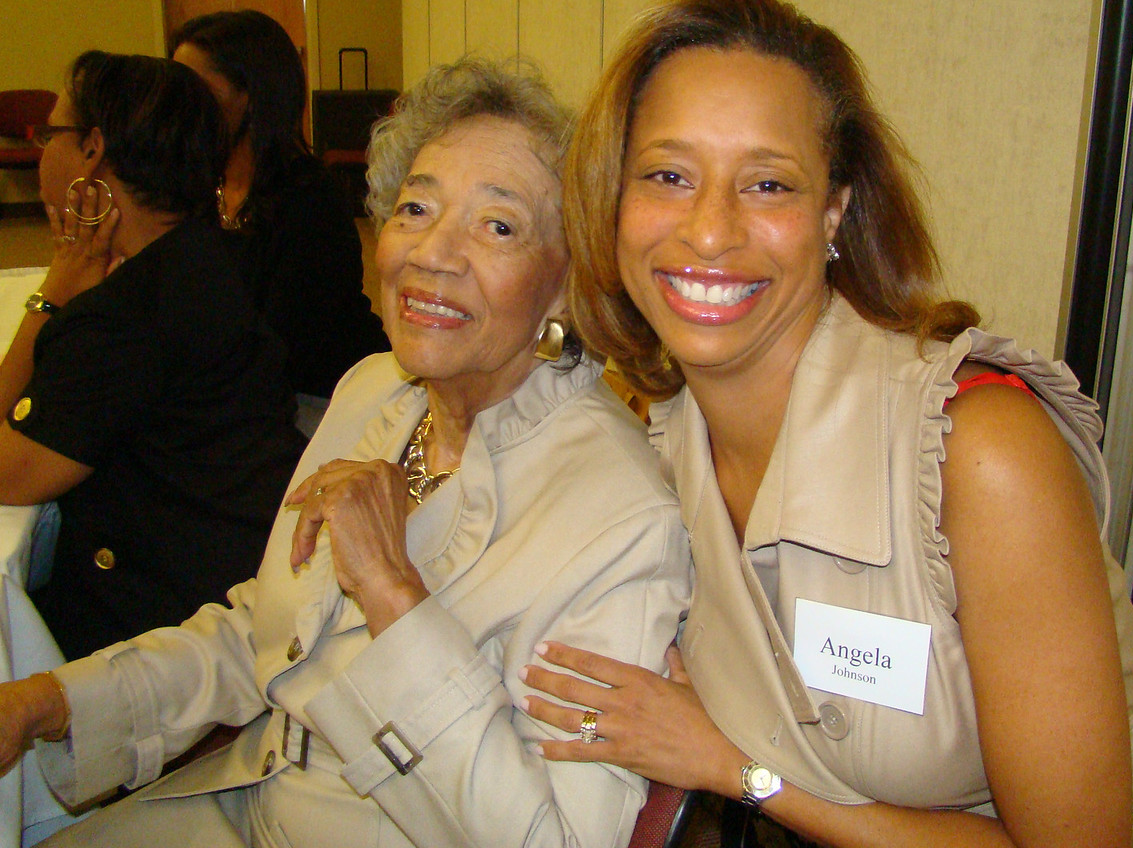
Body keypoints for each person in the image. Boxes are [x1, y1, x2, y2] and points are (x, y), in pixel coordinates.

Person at [519, 0, 1133, 848]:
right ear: (613, 200)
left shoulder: (979, 453)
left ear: (833, 213)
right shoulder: (661, 442)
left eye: (767, 184)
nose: (707, 230)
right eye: (667, 175)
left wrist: (738, 770)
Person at [0, 57, 690, 848]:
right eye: (416, 207)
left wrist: (396, 597)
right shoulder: (375, 394)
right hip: (246, 799)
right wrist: (54, 703)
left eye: (497, 226)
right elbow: (263, 629)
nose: (432, 252)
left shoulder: (624, 519)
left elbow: (556, 841)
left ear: (571, 281)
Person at [0, 51, 306, 661]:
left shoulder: (124, 315)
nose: (41, 152)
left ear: (93, 150)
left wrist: (48, 300)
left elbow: (12, 475)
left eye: (48, 134)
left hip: (174, 615)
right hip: (239, 553)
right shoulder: (204, 254)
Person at [171, 10, 389, 432]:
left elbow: (280, 347)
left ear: (250, 94)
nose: (178, 107)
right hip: (248, 388)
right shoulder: (199, 184)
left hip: (324, 394)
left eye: (194, 90)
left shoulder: (309, 197)